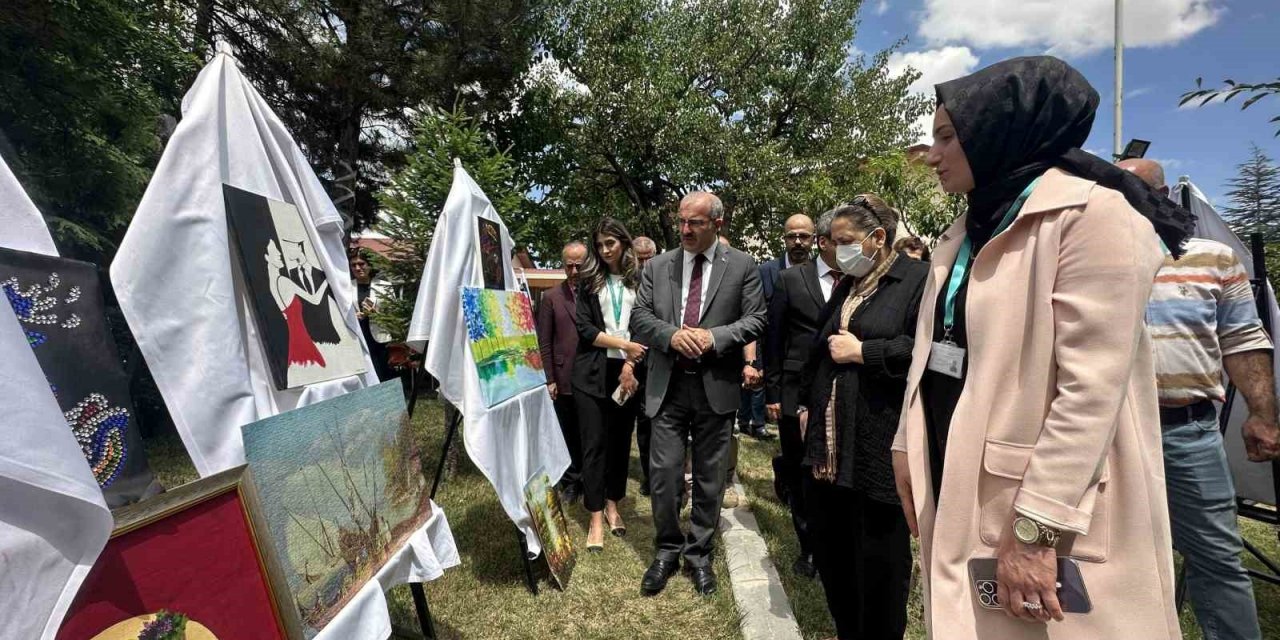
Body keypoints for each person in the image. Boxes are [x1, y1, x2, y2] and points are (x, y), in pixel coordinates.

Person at [890, 56, 1195, 638]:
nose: (932, 155)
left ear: (999, 130)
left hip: (1041, 500)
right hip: (955, 461)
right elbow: (936, 349)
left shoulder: (1094, 217)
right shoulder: (967, 229)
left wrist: (1036, 529)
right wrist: (908, 442)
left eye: (947, 137)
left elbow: (1091, 390)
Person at [1121, 157, 1280, 640]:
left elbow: (1243, 339)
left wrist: (1263, 414)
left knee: (1217, 558)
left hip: (1186, 431)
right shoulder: (1090, 257)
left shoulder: (1212, 257)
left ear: (1163, 195)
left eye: (1133, 191)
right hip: (1110, 433)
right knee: (1113, 556)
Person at [794, 196, 927, 639]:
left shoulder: (917, 281)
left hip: (876, 445)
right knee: (835, 557)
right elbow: (819, 349)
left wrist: (865, 353)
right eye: (831, 242)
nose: (835, 250)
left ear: (877, 239)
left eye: (844, 241)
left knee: (880, 565)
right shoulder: (847, 285)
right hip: (829, 450)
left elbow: (934, 352)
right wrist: (806, 405)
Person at [631, 191, 766, 596]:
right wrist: (672, 336)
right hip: (668, 388)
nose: (686, 230)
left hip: (716, 389)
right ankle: (667, 549)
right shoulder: (657, 266)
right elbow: (639, 317)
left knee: (710, 478)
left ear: (718, 224)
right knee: (665, 475)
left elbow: (757, 318)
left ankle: (699, 554)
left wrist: (713, 337)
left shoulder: (742, 265)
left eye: (696, 223)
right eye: (682, 222)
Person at [762, 211, 834, 579]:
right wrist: (773, 392)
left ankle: (835, 541)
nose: (799, 243)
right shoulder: (789, 280)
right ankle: (808, 547)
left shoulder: (855, 279)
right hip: (794, 391)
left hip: (838, 389)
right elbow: (772, 339)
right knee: (800, 470)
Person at [573, 219, 647, 551]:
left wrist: (630, 362)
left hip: (626, 373)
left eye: (610, 244)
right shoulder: (589, 282)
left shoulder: (640, 280)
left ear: (624, 244)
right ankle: (594, 515)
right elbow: (585, 329)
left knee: (619, 443)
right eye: (600, 245)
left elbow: (644, 324)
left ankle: (614, 504)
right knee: (593, 445)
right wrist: (622, 344)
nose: (604, 251)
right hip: (592, 373)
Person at [537, 241, 589, 503]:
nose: (574, 270)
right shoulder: (551, 298)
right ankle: (571, 481)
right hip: (563, 375)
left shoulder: (594, 293)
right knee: (567, 432)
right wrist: (549, 379)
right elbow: (544, 342)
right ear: (563, 265)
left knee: (589, 432)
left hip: (591, 377)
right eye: (569, 265)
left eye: (579, 265)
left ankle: (590, 481)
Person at [633, 236, 659, 496]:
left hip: (652, 362)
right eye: (639, 259)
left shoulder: (662, 281)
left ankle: (652, 477)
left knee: (649, 422)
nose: (643, 263)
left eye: (647, 258)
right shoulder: (626, 281)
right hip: (626, 358)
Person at [351, 250, 394, 381]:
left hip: (379, 338)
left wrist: (376, 313)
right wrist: (353, 316)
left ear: (370, 265)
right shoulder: (346, 286)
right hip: (357, 336)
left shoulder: (385, 286)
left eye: (361, 264)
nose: (357, 268)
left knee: (381, 373)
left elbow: (393, 313)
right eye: (353, 265)